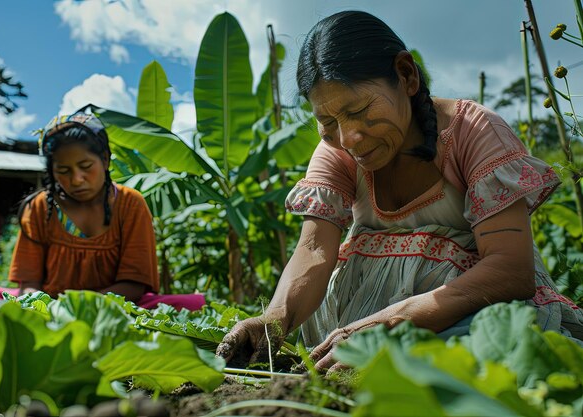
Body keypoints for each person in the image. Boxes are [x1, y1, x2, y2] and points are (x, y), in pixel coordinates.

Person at [216, 10, 583, 372]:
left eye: (359, 110)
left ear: (406, 76)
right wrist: (276, 317)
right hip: (360, 326)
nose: (349, 138)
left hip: (463, 319)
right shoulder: (337, 151)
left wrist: (393, 322)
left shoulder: (473, 132)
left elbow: (509, 270)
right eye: (327, 122)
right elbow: (313, 249)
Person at [0, 108, 205, 311]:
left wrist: (80, 308)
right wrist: (42, 308)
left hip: (113, 306)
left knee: (193, 305)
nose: (76, 179)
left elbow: (133, 286)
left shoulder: (131, 203)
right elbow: (29, 284)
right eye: (63, 171)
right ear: (51, 171)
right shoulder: (40, 207)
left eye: (86, 166)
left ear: (106, 160)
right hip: (47, 305)